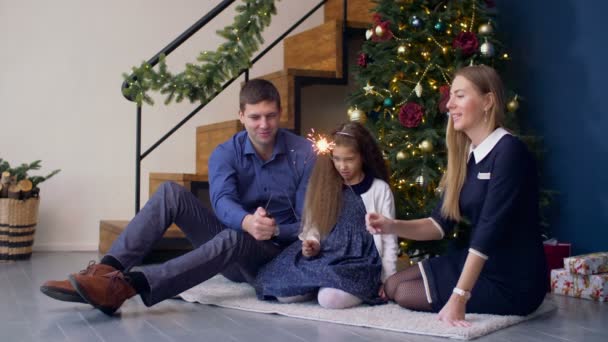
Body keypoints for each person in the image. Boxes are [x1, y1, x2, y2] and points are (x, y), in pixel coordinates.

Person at [40, 79, 315, 315]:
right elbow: (221, 201)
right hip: (233, 250)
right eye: (255, 117)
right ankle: (104, 273)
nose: (263, 124)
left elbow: (309, 222)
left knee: (235, 237)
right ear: (241, 115)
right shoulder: (225, 153)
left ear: (281, 113)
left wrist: (276, 228)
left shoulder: (303, 153)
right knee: (171, 192)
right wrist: (246, 221)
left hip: (274, 256)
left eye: (270, 116)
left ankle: (127, 287)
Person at [366, 65, 548, 326]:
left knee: (404, 293)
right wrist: (390, 225)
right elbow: (439, 224)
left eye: (460, 95)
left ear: (488, 101)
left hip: (513, 279)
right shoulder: (467, 156)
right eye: (450, 96)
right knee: (394, 284)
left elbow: (487, 231)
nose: (449, 105)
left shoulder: (509, 152)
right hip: (479, 263)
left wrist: (459, 297)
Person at [255, 122, 398, 309]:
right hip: (325, 254)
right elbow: (314, 226)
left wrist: (388, 280)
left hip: (358, 261)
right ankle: (317, 284)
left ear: (363, 157)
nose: (342, 166)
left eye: (349, 159)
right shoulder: (325, 185)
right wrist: (312, 243)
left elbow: (389, 239)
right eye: (337, 159)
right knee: (283, 293)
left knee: (329, 300)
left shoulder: (379, 189)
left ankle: (323, 286)